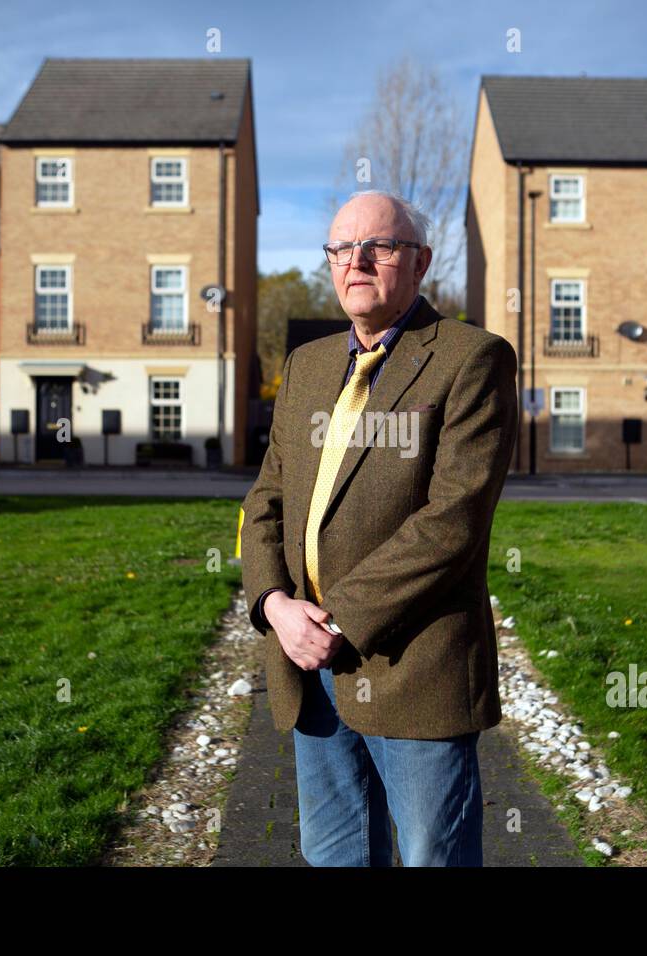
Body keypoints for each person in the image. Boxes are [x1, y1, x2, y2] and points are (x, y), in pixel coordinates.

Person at [240, 189, 519, 866]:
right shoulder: (306, 367)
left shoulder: (470, 359)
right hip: (308, 666)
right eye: (342, 248)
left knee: (433, 856)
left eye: (380, 246)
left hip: (414, 667)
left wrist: (334, 623)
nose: (357, 260)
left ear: (419, 263)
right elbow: (264, 502)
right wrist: (277, 608)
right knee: (335, 855)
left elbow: (453, 521)